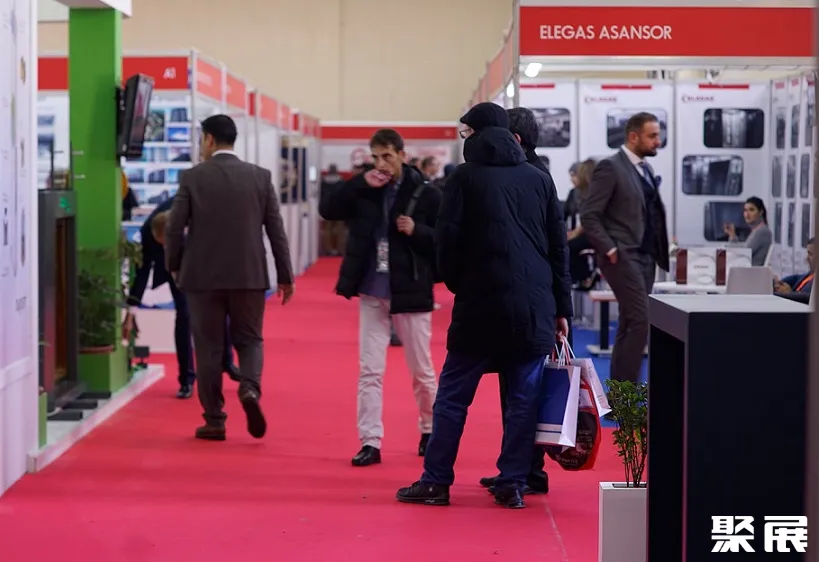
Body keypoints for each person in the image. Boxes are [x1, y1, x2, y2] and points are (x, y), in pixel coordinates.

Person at [396, 103, 571, 509]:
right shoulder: (539, 178)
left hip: (478, 305)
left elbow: (447, 243)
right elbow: (557, 248)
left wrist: (461, 284)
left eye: (466, 132)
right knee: (523, 400)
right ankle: (513, 483)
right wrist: (561, 308)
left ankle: (436, 481)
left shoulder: (463, 178)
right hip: (533, 307)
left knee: (453, 397)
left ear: (476, 133)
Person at [165, 114, 294, 441]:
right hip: (249, 275)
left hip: (201, 278)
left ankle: (214, 420)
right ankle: (249, 388)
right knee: (250, 339)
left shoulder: (192, 177)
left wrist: (174, 265)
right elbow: (276, 231)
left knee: (208, 347)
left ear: (209, 139)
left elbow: (173, 227)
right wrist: (285, 275)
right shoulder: (260, 177)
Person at [319, 128, 441, 467]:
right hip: (372, 288)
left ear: (402, 155)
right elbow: (328, 209)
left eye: (387, 156)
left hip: (411, 289)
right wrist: (359, 182)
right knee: (369, 370)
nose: (381, 164)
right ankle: (370, 441)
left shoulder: (426, 193)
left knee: (421, 370)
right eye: (375, 157)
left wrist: (417, 230)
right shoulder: (366, 188)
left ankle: (430, 429)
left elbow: (446, 239)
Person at [581, 112, 670, 384]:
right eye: (652, 136)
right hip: (622, 256)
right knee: (641, 320)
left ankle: (620, 393)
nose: (658, 141)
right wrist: (609, 249)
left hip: (646, 257)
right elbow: (589, 214)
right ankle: (627, 394)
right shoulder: (610, 167)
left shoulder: (645, 169)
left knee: (631, 322)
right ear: (633, 137)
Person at [124, 202, 239, 400]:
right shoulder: (148, 236)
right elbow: (142, 274)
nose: (165, 247)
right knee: (184, 316)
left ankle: (226, 362)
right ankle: (186, 380)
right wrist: (131, 312)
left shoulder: (200, 220)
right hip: (174, 270)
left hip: (202, 261)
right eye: (161, 244)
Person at [723, 196, 773, 266]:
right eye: (745, 210)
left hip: (751, 271)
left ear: (760, 212)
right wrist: (732, 235)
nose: (747, 214)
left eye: (751, 210)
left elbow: (743, 254)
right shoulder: (757, 230)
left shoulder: (762, 231)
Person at [320, 164, 347, 256]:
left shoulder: (323, 183)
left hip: (326, 208)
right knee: (340, 229)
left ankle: (328, 249)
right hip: (339, 208)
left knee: (327, 229)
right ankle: (340, 249)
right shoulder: (342, 182)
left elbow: (320, 196)